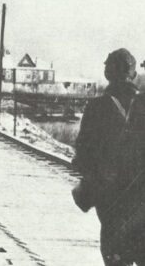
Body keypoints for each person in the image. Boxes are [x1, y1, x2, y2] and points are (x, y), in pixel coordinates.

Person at [73, 48, 145, 266]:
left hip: (111, 197)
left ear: (109, 73)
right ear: (132, 73)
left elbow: (83, 152)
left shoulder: (97, 107)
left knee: (115, 254)